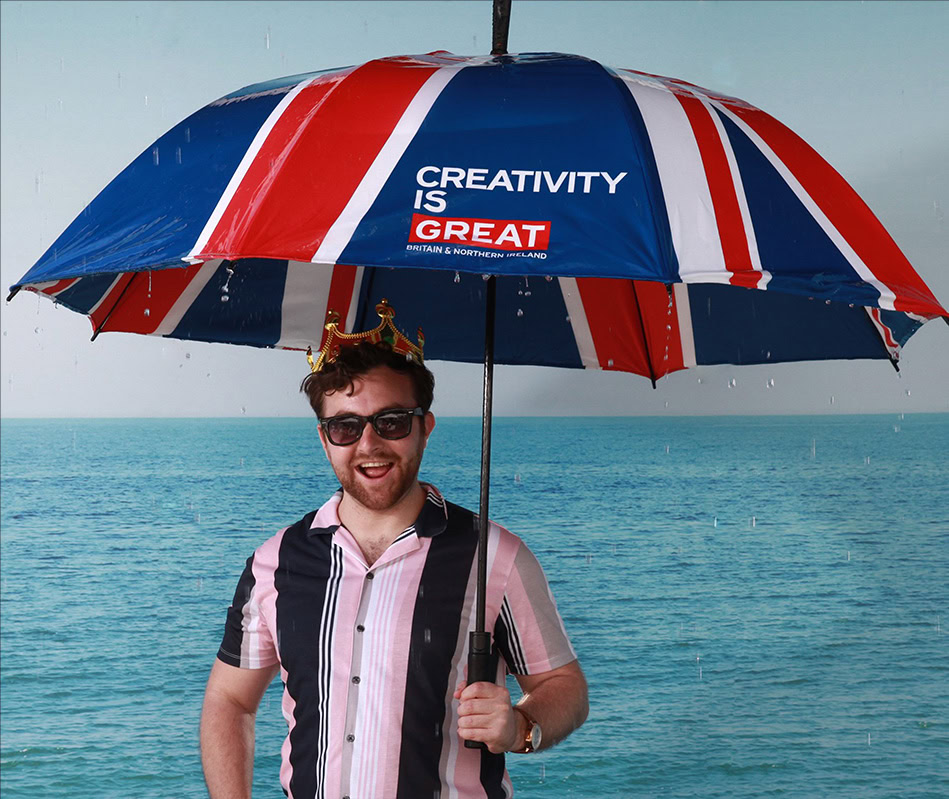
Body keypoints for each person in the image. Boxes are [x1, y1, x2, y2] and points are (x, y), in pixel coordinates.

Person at [200, 301, 588, 799]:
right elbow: (230, 701)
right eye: (345, 426)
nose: (369, 445)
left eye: (392, 422)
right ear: (325, 439)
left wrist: (521, 726)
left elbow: (566, 688)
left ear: (425, 427)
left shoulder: (495, 558)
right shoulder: (274, 563)